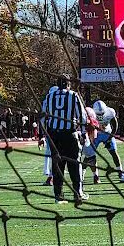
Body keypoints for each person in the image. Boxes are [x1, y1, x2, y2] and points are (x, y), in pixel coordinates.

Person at [40, 75, 89, 205]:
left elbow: (43, 117)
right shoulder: (73, 95)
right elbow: (82, 116)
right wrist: (83, 133)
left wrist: (42, 136)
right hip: (69, 134)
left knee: (58, 166)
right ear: (68, 84)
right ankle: (78, 194)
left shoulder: (49, 96)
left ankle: (58, 196)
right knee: (74, 164)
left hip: (54, 135)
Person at [86, 100, 122, 180]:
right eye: (99, 114)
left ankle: (120, 172)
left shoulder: (110, 112)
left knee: (114, 153)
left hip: (107, 133)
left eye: (102, 113)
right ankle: (94, 176)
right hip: (96, 135)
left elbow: (115, 125)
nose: (101, 115)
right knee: (89, 155)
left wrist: (110, 138)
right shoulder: (90, 112)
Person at [39, 85, 58, 186]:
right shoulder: (68, 97)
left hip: (52, 131)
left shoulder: (47, 101)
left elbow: (42, 119)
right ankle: (51, 176)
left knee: (52, 153)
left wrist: (41, 135)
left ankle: (50, 175)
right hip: (65, 131)